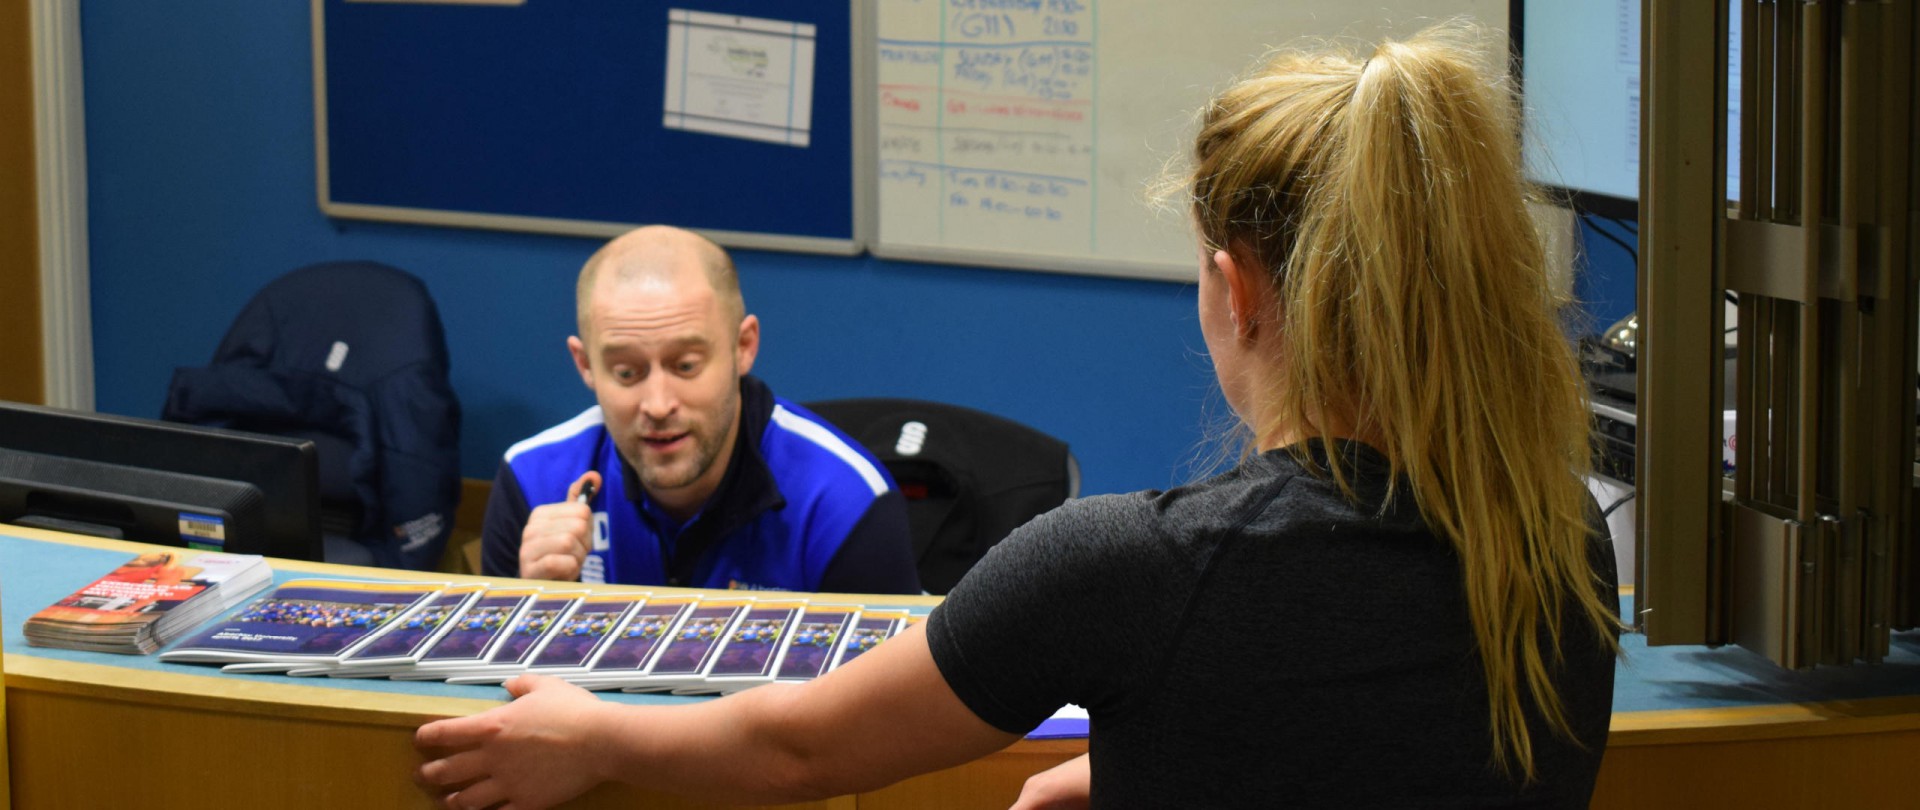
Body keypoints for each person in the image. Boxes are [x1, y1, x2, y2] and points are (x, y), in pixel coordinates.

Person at [418, 26, 1622, 809]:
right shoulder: (1557, 532)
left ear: (1234, 288)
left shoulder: (1139, 568)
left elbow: (800, 751)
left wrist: (602, 740)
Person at [479, 226, 919, 594]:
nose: (657, 405)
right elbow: (495, 693)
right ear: (585, 365)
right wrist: (532, 604)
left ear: (743, 347)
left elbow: (887, 698)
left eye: (685, 366)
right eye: (627, 373)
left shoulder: (844, 502)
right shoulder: (533, 481)